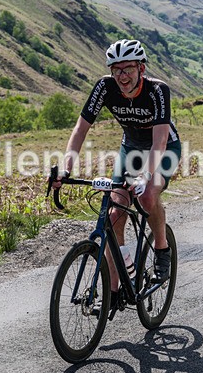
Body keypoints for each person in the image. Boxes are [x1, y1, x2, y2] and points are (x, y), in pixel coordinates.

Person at [52, 39, 182, 307]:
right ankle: (114, 289)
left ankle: (161, 248)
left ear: (141, 68)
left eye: (128, 69)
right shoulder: (104, 87)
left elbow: (158, 142)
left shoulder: (158, 91)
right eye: (117, 69)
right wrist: (66, 167)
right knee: (113, 216)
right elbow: (80, 129)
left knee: (147, 198)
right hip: (131, 149)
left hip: (164, 148)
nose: (122, 76)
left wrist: (146, 177)